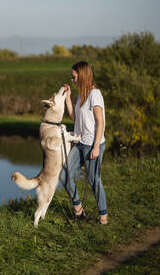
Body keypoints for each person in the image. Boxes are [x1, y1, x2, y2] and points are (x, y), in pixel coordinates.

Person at [59, 61, 108, 225]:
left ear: (82, 76)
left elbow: (100, 122)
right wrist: (67, 98)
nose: (72, 80)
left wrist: (95, 147)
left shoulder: (95, 94)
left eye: (74, 77)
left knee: (94, 180)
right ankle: (78, 210)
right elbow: (74, 117)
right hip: (80, 143)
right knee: (64, 175)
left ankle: (103, 217)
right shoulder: (81, 95)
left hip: (93, 144)